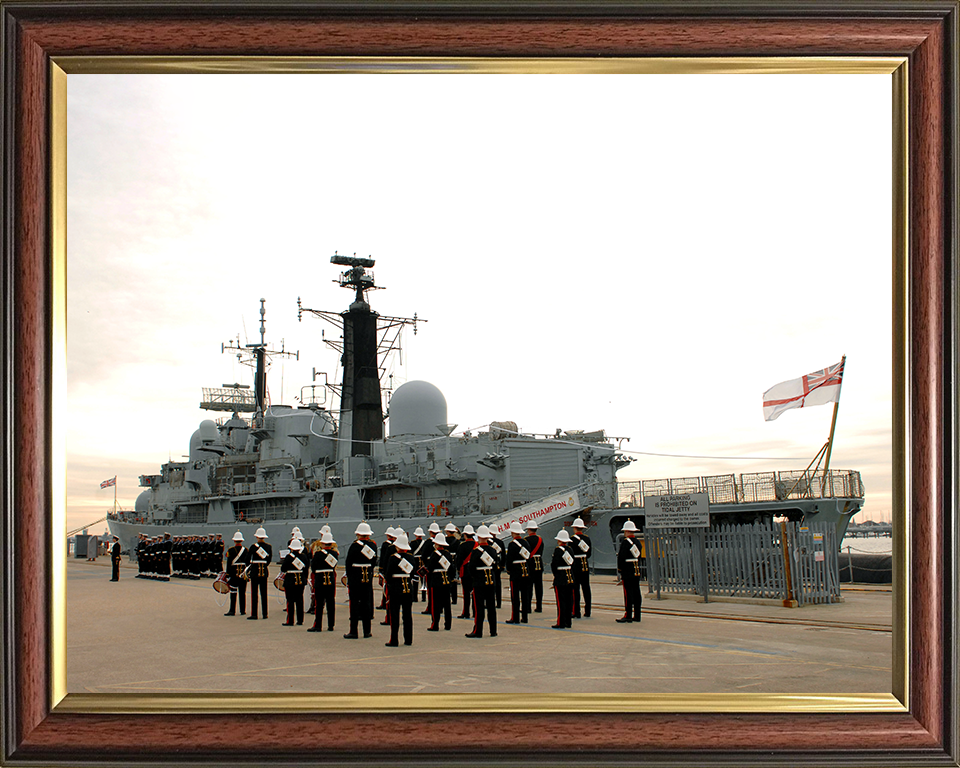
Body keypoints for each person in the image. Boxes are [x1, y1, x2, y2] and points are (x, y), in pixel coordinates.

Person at [344, 522, 377, 639]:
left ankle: (354, 631)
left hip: (355, 577)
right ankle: (367, 631)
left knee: (354, 605)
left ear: (358, 534)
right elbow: (373, 562)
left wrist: (349, 576)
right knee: (366, 604)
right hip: (367, 577)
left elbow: (348, 563)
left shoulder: (354, 546)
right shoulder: (372, 546)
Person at [465, 525, 497, 638]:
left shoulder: (476, 551)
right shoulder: (493, 550)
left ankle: (478, 631)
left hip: (479, 581)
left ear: (478, 536)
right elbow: (495, 565)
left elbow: (471, 568)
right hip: (491, 580)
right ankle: (493, 630)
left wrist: (474, 577)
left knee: (479, 607)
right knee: (491, 607)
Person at [383, 533, 415, 646]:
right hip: (408, 588)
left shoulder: (393, 558)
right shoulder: (411, 557)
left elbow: (388, 575)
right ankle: (408, 639)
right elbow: (412, 574)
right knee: (407, 615)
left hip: (396, 588)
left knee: (394, 615)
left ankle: (394, 640)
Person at [308, 532, 338, 632]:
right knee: (330, 603)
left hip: (320, 579)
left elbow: (313, 568)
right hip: (330, 579)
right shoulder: (334, 554)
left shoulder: (318, 554)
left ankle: (318, 625)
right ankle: (331, 625)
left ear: (323, 544)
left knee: (319, 603)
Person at [425, 532, 453, 631]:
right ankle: (448, 624)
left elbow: (430, 567)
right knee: (447, 604)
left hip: (436, 580)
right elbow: (451, 568)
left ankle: (435, 624)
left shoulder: (434, 554)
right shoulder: (448, 554)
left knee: (435, 604)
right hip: (446, 580)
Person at [504, 521, 532, 624]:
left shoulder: (512, 544)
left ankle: (515, 617)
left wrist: (509, 570)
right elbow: (528, 557)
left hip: (516, 572)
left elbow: (509, 559)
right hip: (525, 570)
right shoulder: (526, 542)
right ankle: (525, 617)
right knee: (525, 596)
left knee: (515, 596)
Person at [617, 520, 643, 623]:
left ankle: (628, 614)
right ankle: (637, 615)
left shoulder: (625, 542)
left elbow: (621, 557)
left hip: (627, 570)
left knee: (628, 593)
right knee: (637, 592)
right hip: (636, 569)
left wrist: (620, 569)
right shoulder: (638, 542)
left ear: (627, 531)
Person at [280, 538, 308, 626]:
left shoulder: (289, 557)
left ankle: (290, 620)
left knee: (290, 600)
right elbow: (306, 568)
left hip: (290, 580)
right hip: (300, 579)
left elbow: (283, 569)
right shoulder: (303, 556)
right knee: (300, 600)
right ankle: (300, 620)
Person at [246, 527, 273, 620]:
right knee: (264, 593)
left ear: (257, 537)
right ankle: (265, 614)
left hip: (255, 571)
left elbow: (248, 559)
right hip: (264, 571)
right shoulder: (269, 547)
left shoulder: (253, 547)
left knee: (254, 593)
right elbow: (269, 560)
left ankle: (254, 614)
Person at [551, 530, 575, 629]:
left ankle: (561, 622)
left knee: (561, 602)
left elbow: (554, 565)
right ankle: (568, 622)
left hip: (561, 578)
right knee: (569, 601)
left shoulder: (558, 550)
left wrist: (556, 575)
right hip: (570, 577)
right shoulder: (570, 549)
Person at [570, 517, 592, 618]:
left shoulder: (571, 540)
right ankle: (588, 611)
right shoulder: (587, 539)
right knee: (586, 589)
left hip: (576, 565)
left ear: (574, 528)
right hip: (585, 565)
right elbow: (589, 554)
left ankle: (576, 611)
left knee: (575, 589)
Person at [455, 524, 476, 618]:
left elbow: (459, 560)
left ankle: (466, 612)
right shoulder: (477, 544)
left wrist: (458, 569)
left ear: (465, 535)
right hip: (475, 572)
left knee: (466, 594)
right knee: (475, 593)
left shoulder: (462, 545)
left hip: (465, 571)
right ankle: (475, 612)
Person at [524, 521, 545, 612]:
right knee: (539, 586)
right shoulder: (540, 539)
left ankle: (528, 607)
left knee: (528, 587)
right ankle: (539, 606)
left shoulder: (526, 540)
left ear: (529, 530)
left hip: (530, 564)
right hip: (539, 564)